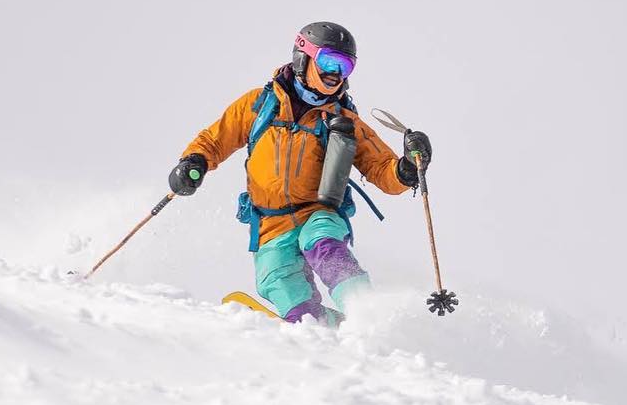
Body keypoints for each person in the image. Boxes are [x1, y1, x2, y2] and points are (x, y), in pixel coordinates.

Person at [167, 22, 431, 324]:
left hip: (318, 212)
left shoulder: (343, 120)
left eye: (347, 66)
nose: (337, 73)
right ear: (303, 57)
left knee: (324, 246)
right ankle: (324, 326)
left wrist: (409, 168)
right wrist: (194, 163)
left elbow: (383, 169)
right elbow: (216, 138)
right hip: (270, 225)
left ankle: (367, 311)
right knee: (282, 289)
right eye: (330, 62)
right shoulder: (259, 104)